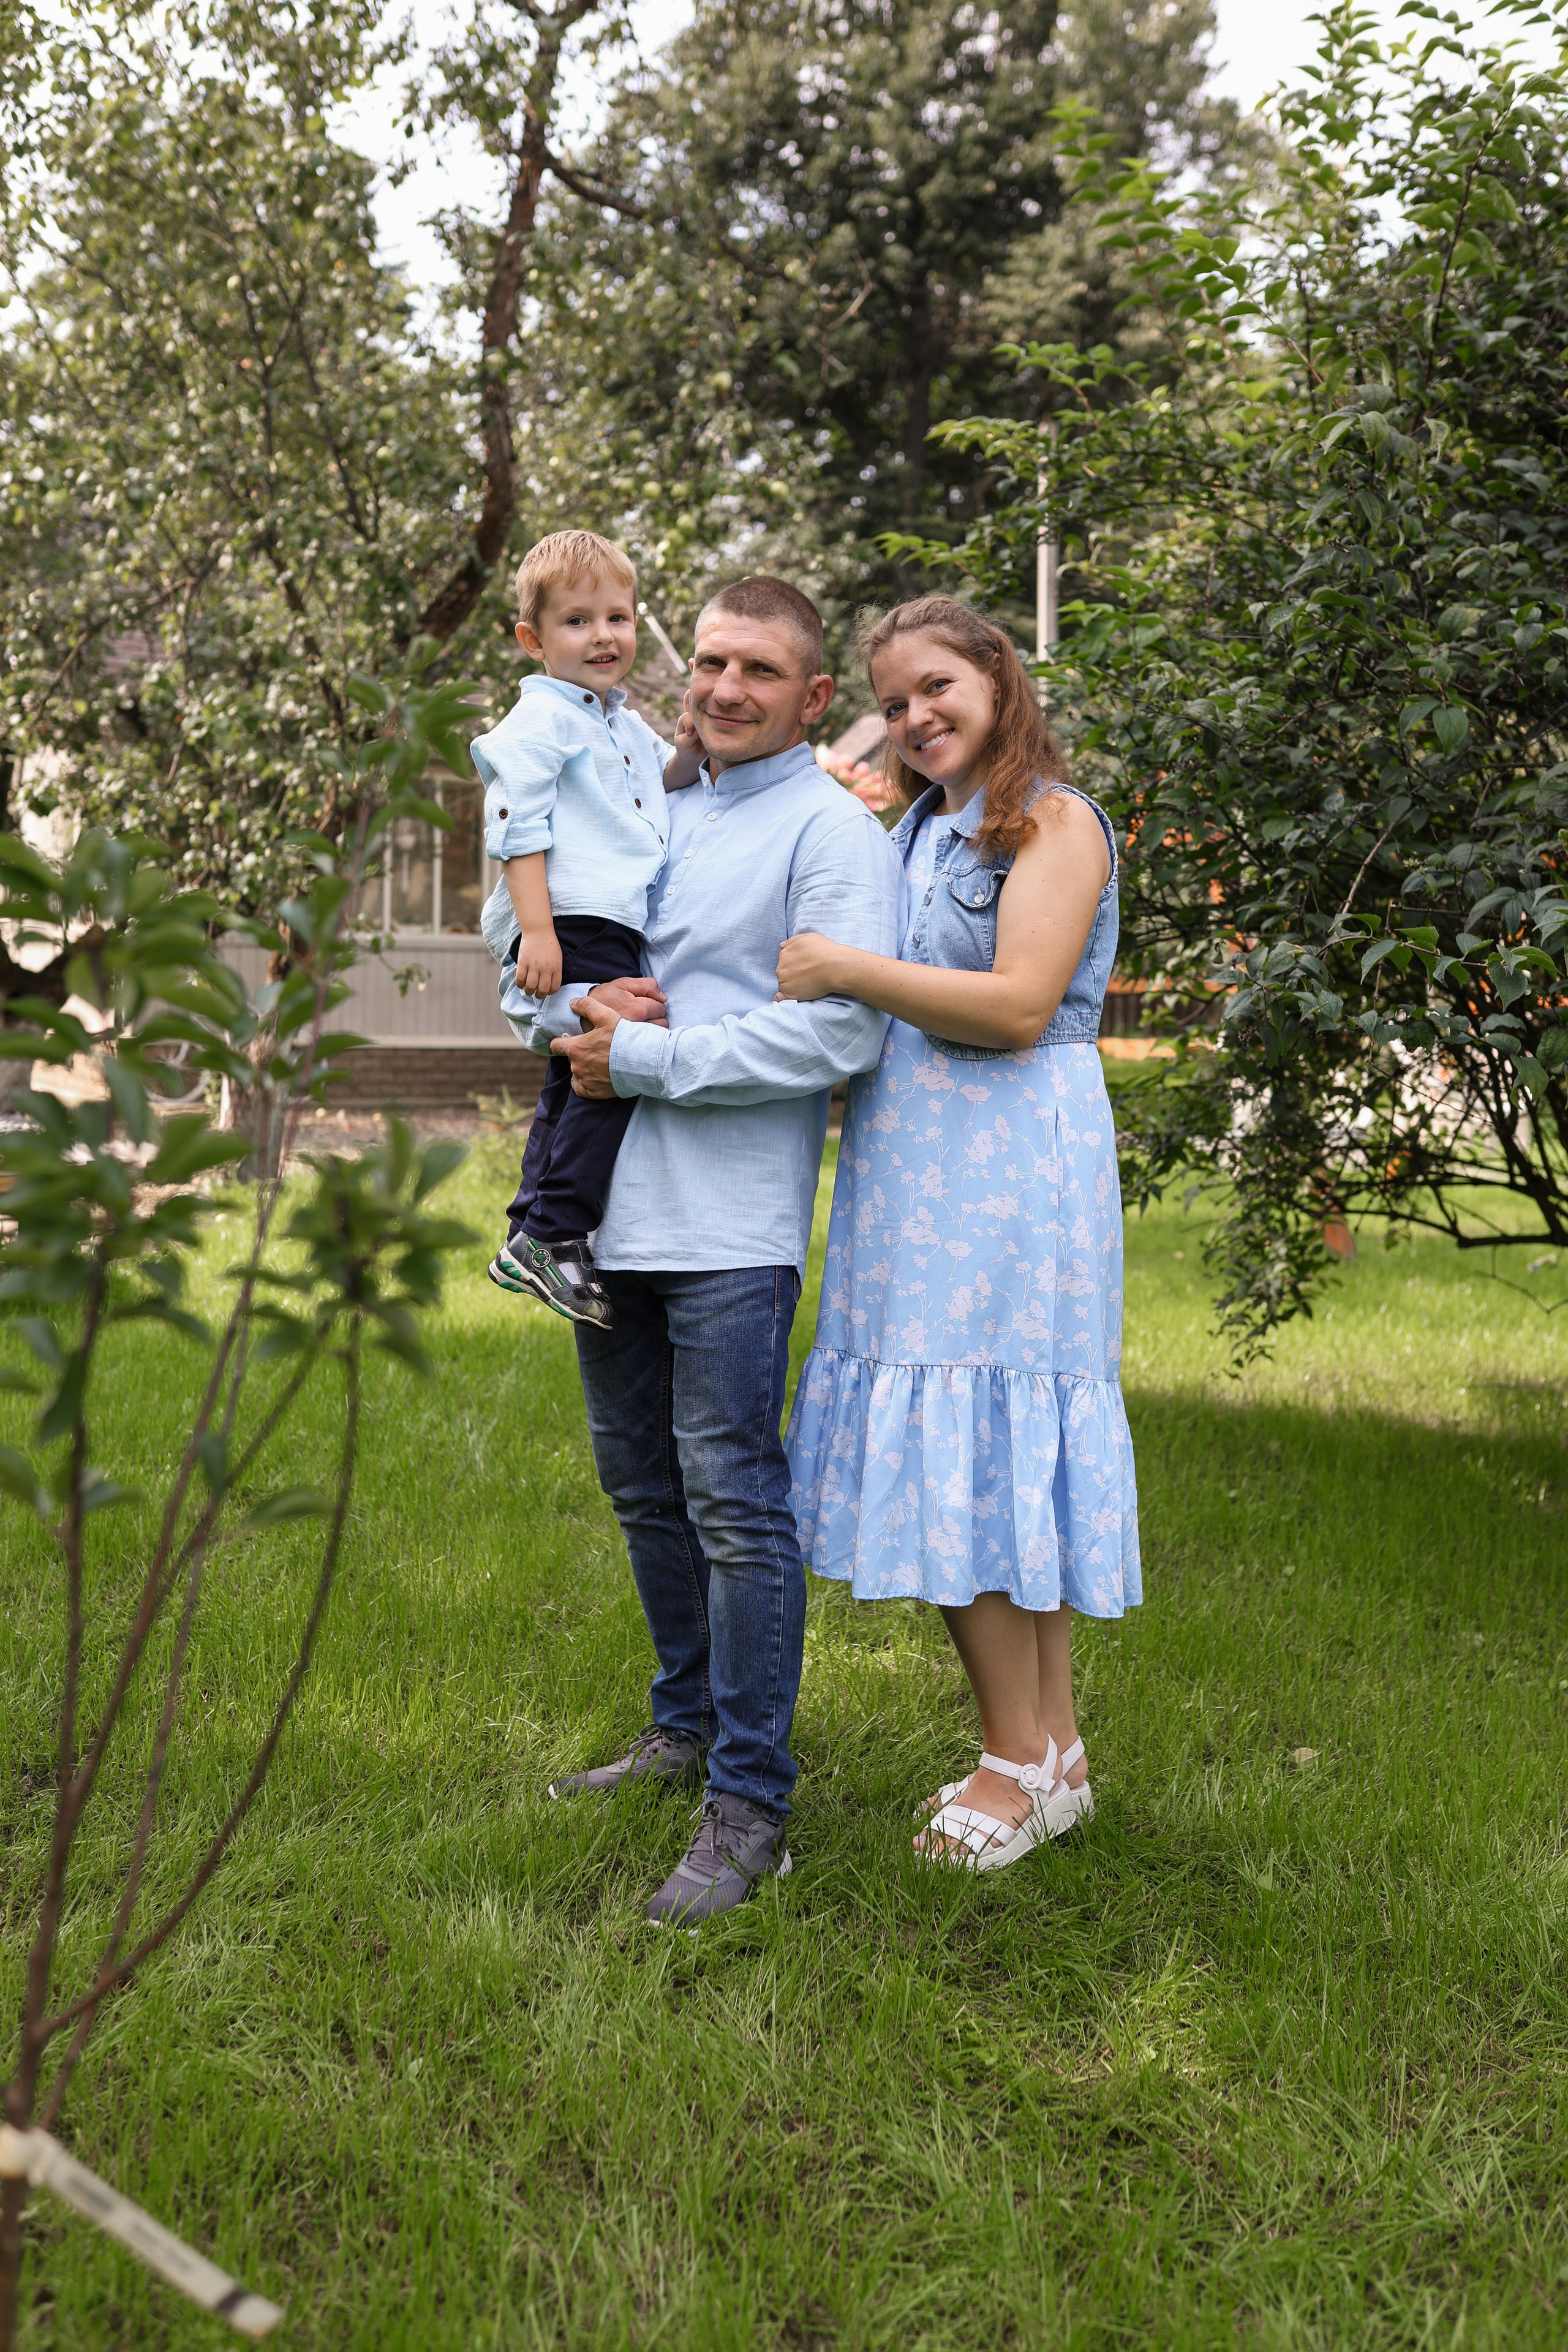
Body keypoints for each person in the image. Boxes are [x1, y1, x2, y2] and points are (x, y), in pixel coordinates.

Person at [532, 577, 905, 1926]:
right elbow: (553, 968)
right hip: (607, 1215)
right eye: (709, 662)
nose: (725, 688)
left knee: (736, 1507)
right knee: (643, 1490)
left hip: (731, 1224)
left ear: (816, 698)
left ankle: (751, 1804)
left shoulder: (830, 835)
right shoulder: (650, 809)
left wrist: (645, 1056)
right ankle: (681, 1730)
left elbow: (839, 1033)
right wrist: (572, 1012)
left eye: (759, 669)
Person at [780, 596, 1140, 1872]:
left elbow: (1017, 1003)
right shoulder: (918, 830)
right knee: (982, 1442)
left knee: (979, 1447)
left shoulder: (1052, 819)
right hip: (914, 1164)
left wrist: (843, 968)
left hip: (1009, 1163)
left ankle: (1009, 1760)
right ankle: (1054, 1759)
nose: (915, 715)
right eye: (893, 702)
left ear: (997, 675)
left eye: (936, 686)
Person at [473, 529, 702, 1330]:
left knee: (574, 1068)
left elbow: (661, 784)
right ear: (533, 640)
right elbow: (516, 824)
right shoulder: (542, 718)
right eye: (578, 621)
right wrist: (537, 932)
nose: (603, 636)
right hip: (569, 917)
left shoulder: (621, 722)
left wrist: (690, 750)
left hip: (608, 919)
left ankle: (529, 1229)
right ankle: (557, 1229)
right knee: (621, 1050)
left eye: (618, 618)